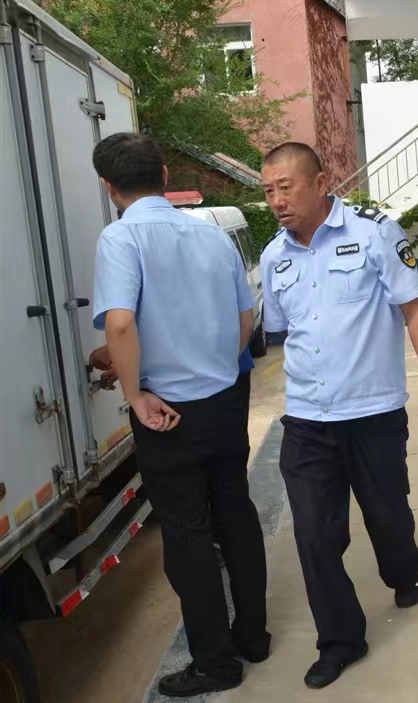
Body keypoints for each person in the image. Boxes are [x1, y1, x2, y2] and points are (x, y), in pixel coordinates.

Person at [258, 142, 418, 689]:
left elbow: (414, 310)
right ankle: (341, 640)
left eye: (285, 187)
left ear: (320, 183)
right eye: (268, 191)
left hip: (372, 414)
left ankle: (403, 573)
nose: (276, 201)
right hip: (307, 419)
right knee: (314, 535)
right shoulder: (274, 257)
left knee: (388, 518)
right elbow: (284, 333)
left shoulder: (374, 233)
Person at [90, 133, 270, 697]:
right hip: (224, 399)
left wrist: (136, 394)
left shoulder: (121, 238)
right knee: (236, 514)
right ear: (165, 176)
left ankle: (215, 664)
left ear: (108, 187)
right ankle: (253, 637)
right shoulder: (211, 235)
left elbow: (120, 323)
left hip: (167, 413)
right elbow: (246, 317)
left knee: (188, 534)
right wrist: (216, 367)